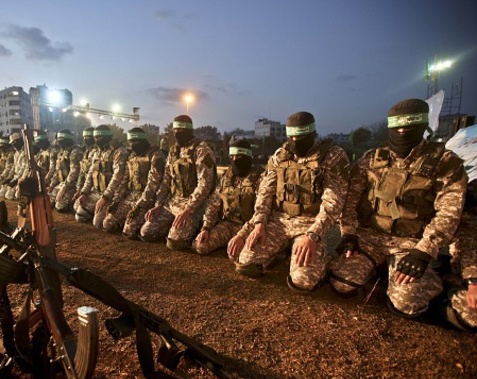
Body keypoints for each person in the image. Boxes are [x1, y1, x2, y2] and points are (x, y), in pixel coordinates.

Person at [329, 99, 468, 319]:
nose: (402, 132)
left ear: (423, 127)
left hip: (412, 243)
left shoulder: (445, 163)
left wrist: (424, 251)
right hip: (371, 237)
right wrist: (349, 234)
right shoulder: (371, 160)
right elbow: (350, 202)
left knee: (407, 303)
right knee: (341, 283)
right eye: (397, 128)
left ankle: (435, 281)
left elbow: (449, 212)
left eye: (409, 128)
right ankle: (381, 270)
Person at [233, 111, 349, 292]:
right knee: (246, 263)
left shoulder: (332, 156)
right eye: (291, 137)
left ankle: (322, 258)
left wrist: (313, 236)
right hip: (279, 221)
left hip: (309, 225)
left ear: (312, 134)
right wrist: (260, 223)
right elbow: (265, 191)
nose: (295, 141)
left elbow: (333, 201)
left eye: (300, 137)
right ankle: (282, 251)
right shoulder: (281, 156)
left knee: (303, 280)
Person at [140, 115, 216, 250]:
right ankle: (173, 227)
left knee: (175, 243)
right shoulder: (174, 150)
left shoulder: (202, 149)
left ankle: (194, 226)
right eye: (175, 130)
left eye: (180, 130)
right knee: (146, 232)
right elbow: (166, 180)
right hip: (173, 201)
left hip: (194, 204)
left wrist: (188, 210)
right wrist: (158, 205)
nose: (177, 133)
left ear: (189, 130)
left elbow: (205, 185)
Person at [192, 139, 263, 255]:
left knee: (244, 257)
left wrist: (242, 235)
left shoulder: (259, 178)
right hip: (228, 225)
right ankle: (228, 242)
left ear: (248, 157)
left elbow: (261, 212)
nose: (235, 160)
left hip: (249, 227)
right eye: (232, 157)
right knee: (200, 246)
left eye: (239, 157)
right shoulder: (227, 177)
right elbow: (214, 203)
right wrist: (206, 228)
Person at [101, 127, 166, 237]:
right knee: (107, 223)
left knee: (129, 230)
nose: (132, 145)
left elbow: (152, 184)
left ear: (143, 141)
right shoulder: (132, 156)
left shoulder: (155, 155)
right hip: (130, 196)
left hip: (147, 199)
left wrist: (139, 205)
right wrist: (116, 201)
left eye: (135, 142)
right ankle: (126, 221)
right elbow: (125, 180)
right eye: (130, 142)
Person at [74, 125, 128, 228]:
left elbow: (117, 177)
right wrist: (84, 193)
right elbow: (91, 173)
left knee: (98, 223)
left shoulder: (119, 151)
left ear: (108, 137)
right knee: (78, 211)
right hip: (96, 192)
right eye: (96, 138)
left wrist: (105, 197)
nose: (97, 140)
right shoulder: (97, 152)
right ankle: (94, 211)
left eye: (100, 138)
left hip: (111, 195)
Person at [442, 179, 477, 331]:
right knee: (472, 315)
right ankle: (443, 299)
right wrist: (473, 282)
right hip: (466, 270)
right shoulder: (472, 195)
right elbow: (467, 245)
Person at [49, 130, 85, 212]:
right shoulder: (61, 153)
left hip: (73, 185)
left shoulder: (75, 152)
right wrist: (52, 185)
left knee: (60, 207)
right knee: (48, 203)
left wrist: (64, 188)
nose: (60, 143)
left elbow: (74, 172)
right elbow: (57, 172)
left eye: (62, 140)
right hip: (63, 183)